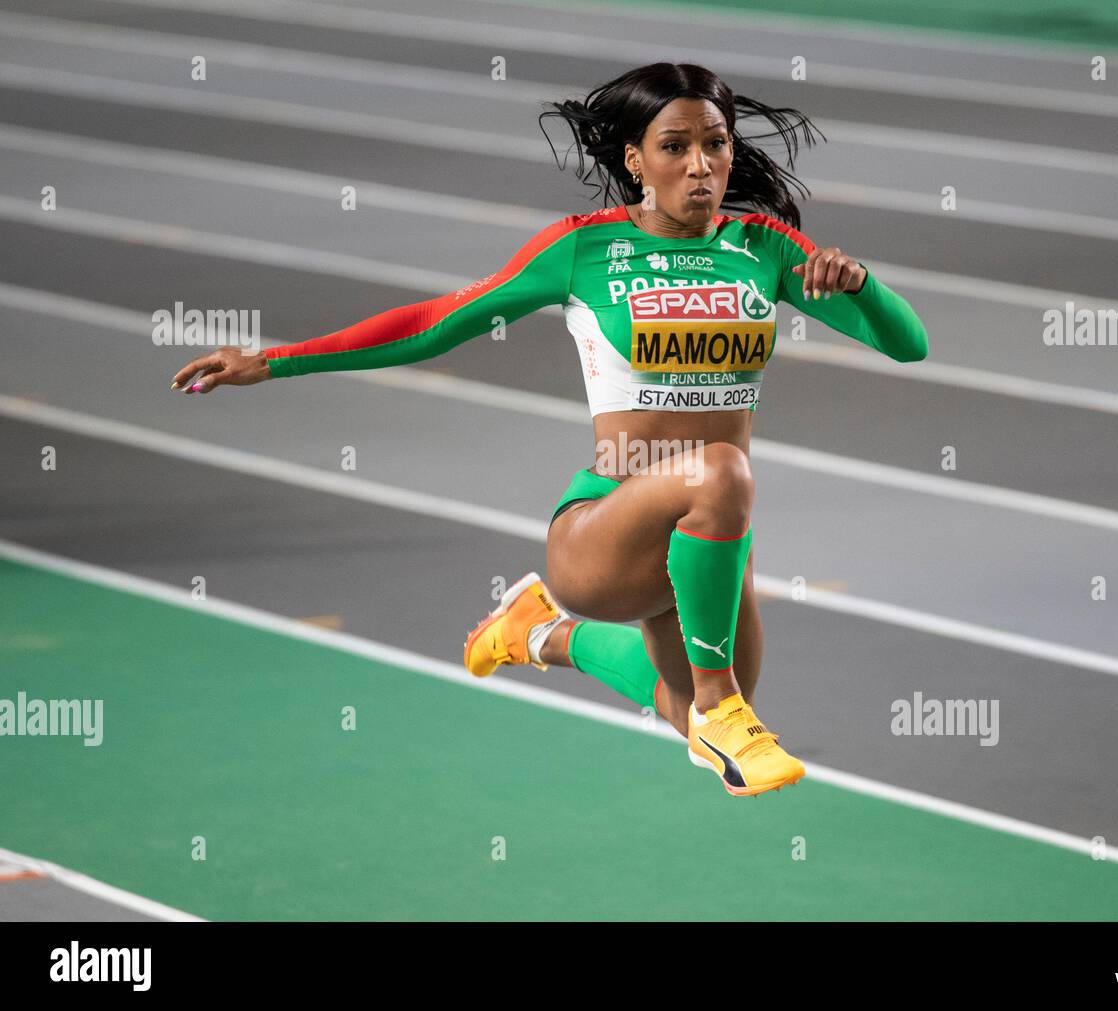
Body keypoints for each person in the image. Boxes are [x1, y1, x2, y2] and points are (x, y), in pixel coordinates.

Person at [170, 63, 928, 797]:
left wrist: (863, 284)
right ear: (636, 161)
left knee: (688, 713)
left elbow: (908, 344)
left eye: (716, 144)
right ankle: (719, 703)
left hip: (708, 535)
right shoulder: (582, 248)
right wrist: (276, 360)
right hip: (605, 529)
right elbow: (433, 325)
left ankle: (538, 631)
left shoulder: (764, 249)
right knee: (720, 478)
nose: (701, 165)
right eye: (675, 148)